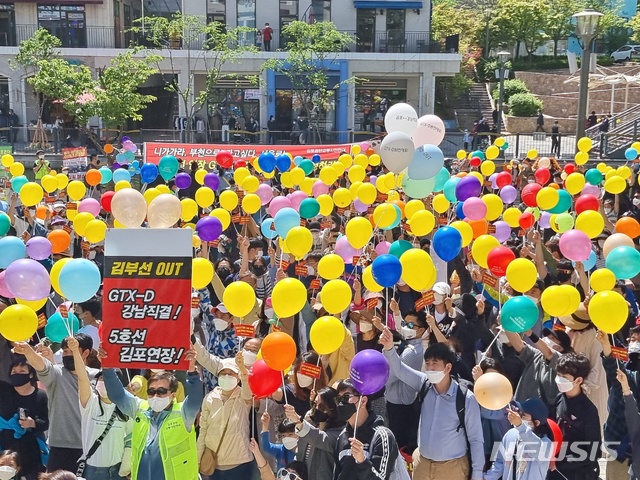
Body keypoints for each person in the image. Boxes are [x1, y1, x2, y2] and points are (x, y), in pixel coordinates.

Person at [380, 331, 483, 480]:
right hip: (422, 464)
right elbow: (400, 370)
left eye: (435, 364)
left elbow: (476, 439)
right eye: (427, 364)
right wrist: (389, 348)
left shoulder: (466, 398)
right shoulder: (424, 384)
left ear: (448, 368)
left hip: (452, 468)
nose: (430, 368)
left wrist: (477, 474)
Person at [102, 349, 203, 480]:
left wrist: (192, 372)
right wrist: (107, 367)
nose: (155, 395)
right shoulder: (140, 409)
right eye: (151, 391)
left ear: (173, 395)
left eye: (161, 391)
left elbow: (195, 399)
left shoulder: (183, 413)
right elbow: (117, 395)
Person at [12, 334, 98, 473]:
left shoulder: (97, 376)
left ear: (86, 353)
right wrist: (28, 351)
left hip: (91, 448)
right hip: (60, 448)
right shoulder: (57, 373)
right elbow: (42, 366)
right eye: (65, 351)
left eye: (72, 350)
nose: (67, 355)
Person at [67, 337, 131, 480]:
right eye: (101, 379)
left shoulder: (126, 408)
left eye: (108, 380)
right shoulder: (90, 403)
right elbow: (82, 377)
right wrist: (75, 352)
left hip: (118, 471)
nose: (103, 382)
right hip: (92, 472)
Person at [195, 348, 256, 479]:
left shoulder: (242, 397)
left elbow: (248, 390)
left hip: (239, 464)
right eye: (223, 373)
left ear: (238, 378)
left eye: (231, 373)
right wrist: (197, 460)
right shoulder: (210, 398)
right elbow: (203, 431)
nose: (227, 376)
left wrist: (242, 369)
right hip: (213, 464)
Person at [333, 379, 401, 480]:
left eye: (346, 397)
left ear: (363, 401)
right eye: (338, 399)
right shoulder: (342, 437)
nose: (341, 404)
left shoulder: (382, 436)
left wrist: (362, 461)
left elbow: (381, 478)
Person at [549, 353, 601, 480]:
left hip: (577, 473)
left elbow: (593, 452)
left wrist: (561, 463)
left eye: (564, 377)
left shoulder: (588, 410)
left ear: (578, 380)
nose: (559, 379)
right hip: (554, 470)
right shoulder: (559, 399)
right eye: (558, 375)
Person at [0, 357, 48, 479]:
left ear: (31, 374)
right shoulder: (4, 390)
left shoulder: (40, 395)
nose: (17, 374)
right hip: (5, 446)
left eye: (22, 371)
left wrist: (32, 423)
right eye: (14, 372)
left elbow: (46, 422)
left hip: (30, 449)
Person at [484, 398, 553, 480]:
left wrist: (520, 426)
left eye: (524, 415)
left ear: (537, 423)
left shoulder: (546, 442)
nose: (519, 417)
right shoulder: (510, 434)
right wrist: (486, 477)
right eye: (519, 412)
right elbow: (499, 463)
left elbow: (537, 450)